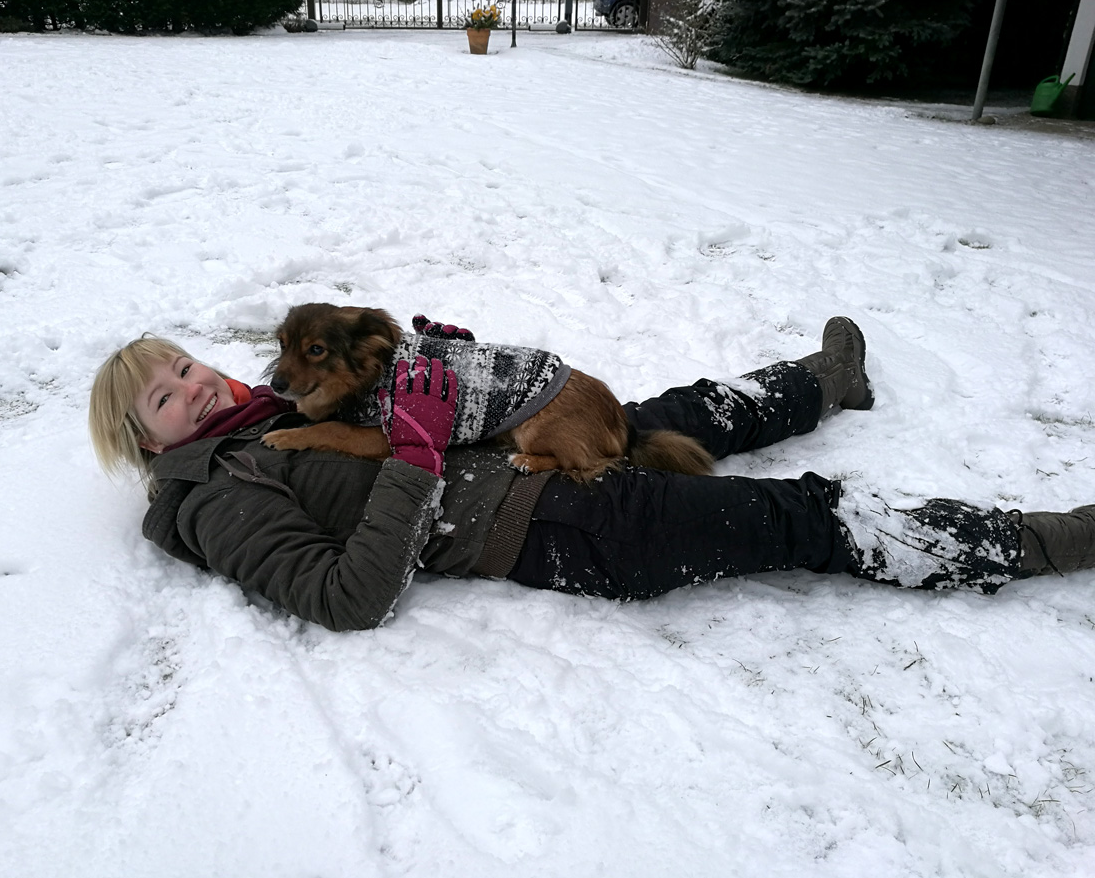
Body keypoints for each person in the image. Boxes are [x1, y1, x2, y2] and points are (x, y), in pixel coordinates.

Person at [88, 316, 1095, 633]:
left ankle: (825, 383)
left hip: (520, 456)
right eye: (164, 400)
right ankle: (1037, 541)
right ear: (149, 444)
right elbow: (343, 597)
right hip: (556, 529)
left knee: (671, 411)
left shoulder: (288, 403)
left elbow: (402, 395)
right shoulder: (210, 498)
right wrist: (421, 453)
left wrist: (458, 374)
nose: (193, 388)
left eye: (184, 365)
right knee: (799, 516)